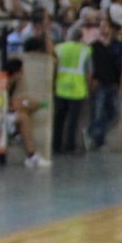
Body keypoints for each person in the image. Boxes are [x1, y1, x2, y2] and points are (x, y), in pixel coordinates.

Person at [52, 23, 91, 155]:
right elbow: (89, 72)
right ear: (81, 37)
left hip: (61, 87)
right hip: (77, 89)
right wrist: (89, 87)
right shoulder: (86, 50)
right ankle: (70, 146)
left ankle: (56, 145)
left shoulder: (59, 48)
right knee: (72, 121)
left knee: (59, 119)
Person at [3, 55, 48, 167]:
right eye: (21, 71)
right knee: (23, 117)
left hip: (7, 114)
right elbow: (4, 105)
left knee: (27, 108)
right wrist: (18, 105)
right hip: (0, 116)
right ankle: (31, 155)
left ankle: (17, 134)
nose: (22, 75)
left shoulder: (12, 85)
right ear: (16, 72)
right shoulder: (4, 84)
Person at [85, 19, 122, 151]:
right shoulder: (94, 46)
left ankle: (92, 131)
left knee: (114, 113)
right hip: (99, 82)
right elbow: (91, 64)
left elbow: (119, 64)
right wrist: (92, 78)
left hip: (112, 83)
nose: (103, 29)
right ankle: (98, 141)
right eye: (101, 26)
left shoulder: (117, 45)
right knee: (98, 112)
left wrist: (118, 81)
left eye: (105, 26)